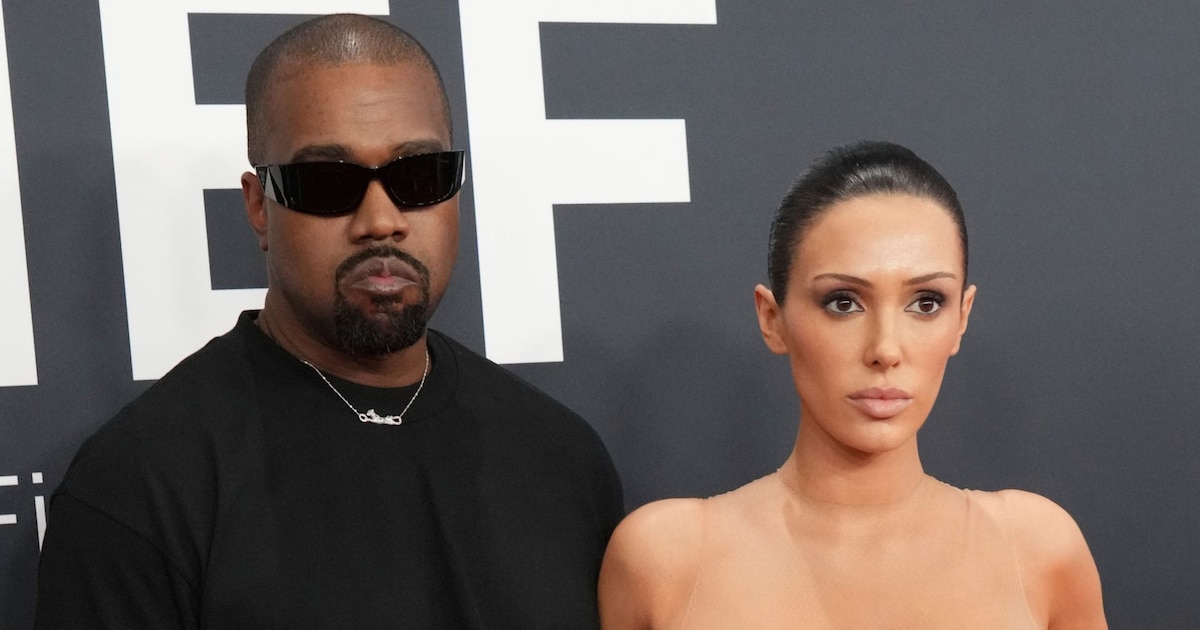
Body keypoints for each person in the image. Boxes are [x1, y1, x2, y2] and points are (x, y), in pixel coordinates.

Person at [34, 13, 623, 629]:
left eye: (418, 174)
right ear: (259, 207)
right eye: (326, 182)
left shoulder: (563, 458)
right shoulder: (141, 485)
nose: (381, 220)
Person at [598, 141, 1107, 629]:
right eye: (843, 303)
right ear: (772, 318)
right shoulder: (665, 559)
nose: (885, 348)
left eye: (926, 302)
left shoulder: (1038, 551)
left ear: (962, 317)